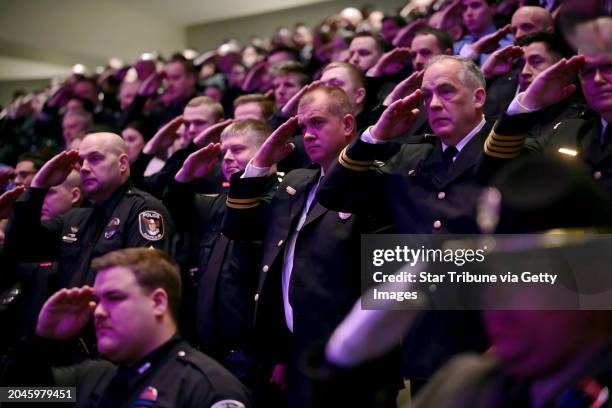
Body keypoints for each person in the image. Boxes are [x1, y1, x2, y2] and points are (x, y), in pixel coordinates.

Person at [318, 55, 502, 388]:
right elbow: (334, 194)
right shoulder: (410, 158)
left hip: (492, 340)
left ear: (478, 97)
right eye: (426, 95)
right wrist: (376, 135)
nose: (434, 104)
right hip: (427, 345)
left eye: (446, 91)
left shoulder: (507, 152)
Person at [222, 85, 399, 407]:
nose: (308, 135)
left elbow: (384, 281)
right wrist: (262, 159)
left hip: (355, 358)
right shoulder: (296, 184)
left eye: (317, 123)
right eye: (303, 128)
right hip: (298, 356)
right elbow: (240, 228)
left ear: (347, 125)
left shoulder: (376, 182)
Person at [1, 247, 252, 407]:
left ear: (157, 302)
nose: (98, 311)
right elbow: (16, 396)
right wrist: (43, 341)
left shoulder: (207, 389)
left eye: (115, 298)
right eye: (98, 300)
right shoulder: (91, 379)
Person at [163, 120, 280, 380]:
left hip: (257, 353)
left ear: (268, 152)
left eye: (237, 150)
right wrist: (185, 176)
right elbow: (172, 210)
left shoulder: (282, 200)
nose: (226, 158)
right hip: (211, 348)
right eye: (224, 152)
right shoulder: (218, 204)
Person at [4, 132, 174, 290]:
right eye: (81, 161)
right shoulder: (74, 219)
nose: (84, 168)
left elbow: (148, 281)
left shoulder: (144, 210)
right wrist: (39, 186)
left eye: (95, 158)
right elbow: (21, 248)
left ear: (122, 164)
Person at [487, 20, 612, 193]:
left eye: (609, 67)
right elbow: (494, 173)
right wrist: (528, 103)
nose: (598, 79)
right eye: (588, 71)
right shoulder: (568, 131)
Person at [482, 32, 582, 126]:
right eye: (521, 65)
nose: (525, 72)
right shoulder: (507, 108)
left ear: (565, 66)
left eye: (536, 61)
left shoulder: (579, 120)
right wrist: (486, 74)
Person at [454, 0, 513, 66]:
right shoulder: (455, 47)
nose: (468, 13)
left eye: (475, 5)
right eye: (464, 8)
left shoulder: (510, 43)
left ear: (492, 8)